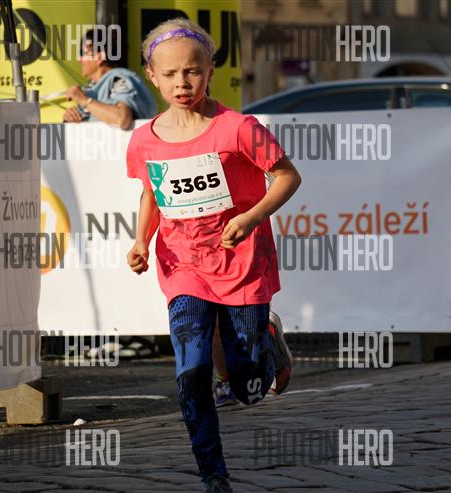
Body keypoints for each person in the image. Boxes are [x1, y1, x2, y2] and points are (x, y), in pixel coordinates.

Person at [125, 18, 301, 493]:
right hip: (183, 265)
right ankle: (213, 474)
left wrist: (250, 217)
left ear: (210, 71)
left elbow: (288, 176)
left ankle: (266, 340)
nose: (182, 83)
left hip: (242, 264)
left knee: (247, 388)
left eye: (192, 71)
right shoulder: (144, 139)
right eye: (170, 74)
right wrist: (141, 241)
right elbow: (151, 194)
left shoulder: (237, 128)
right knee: (191, 373)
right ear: (152, 76)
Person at [64, 28, 157, 129]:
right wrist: (70, 117)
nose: (79, 59)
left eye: (83, 53)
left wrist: (85, 101)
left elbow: (122, 119)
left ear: (99, 57)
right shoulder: (91, 87)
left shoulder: (119, 79)